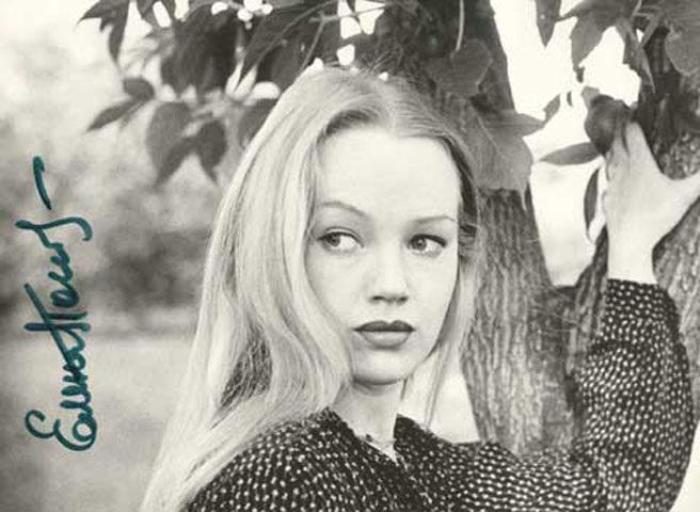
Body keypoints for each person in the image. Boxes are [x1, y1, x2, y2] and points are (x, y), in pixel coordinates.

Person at [140, 67, 696, 512]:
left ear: (462, 259)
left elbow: (613, 492)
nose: (392, 285)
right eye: (339, 238)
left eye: (425, 242)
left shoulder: (412, 461)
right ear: (271, 250)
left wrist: (631, 251)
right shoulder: (280, 476)